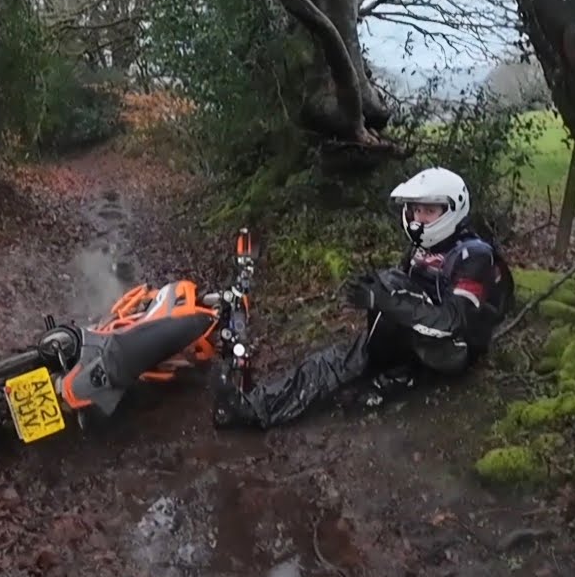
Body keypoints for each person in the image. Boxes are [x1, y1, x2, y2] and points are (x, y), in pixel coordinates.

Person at [212, 166, 516, 429]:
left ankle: (398, 375)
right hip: (420, 337)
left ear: (452, 210)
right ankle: (254, 406)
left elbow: (453, 323)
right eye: (416, 210)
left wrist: (386, 301)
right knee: (333, 359)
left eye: (430, 210)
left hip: (456, 350)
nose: (420, 218)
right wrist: (378, 296)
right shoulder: (421, 250)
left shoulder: (473, 256)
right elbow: (407, 298)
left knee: (384, 303)